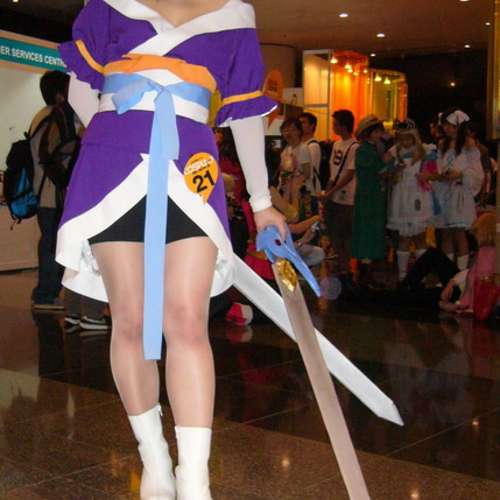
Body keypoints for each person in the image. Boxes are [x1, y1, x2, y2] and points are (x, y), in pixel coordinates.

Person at [57, 1, 286, 499]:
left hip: (191, 165)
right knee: (131, 320)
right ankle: (154, 455)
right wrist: (121, 129)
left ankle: (195, 479)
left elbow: (246, 113)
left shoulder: (235, 15)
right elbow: (80, 89)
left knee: (187, 319)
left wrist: (263, 202)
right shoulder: (107, 4)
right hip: (113, 165)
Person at [31, 71, 72, 311]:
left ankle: (46, 293)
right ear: (59, 94)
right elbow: (58, 154)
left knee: (49, 242)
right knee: (51, 244)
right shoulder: (56, 117)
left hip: (44, 192)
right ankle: (46, 295)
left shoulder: (41, 116)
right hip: (52, 193)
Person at [386, 120, 436, 281]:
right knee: (403, 237)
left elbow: (434, 171)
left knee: (420, 236)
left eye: (408, 138)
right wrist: (395, 171)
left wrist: (426, 174)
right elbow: (386, 173)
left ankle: (421, 275)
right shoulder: (395, 152)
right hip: (401, 196)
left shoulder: (425, 151)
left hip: (418, 194)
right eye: (402, 138)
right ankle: (402, 276)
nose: (405, 142)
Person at [435, 109, 484, 270]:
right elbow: (439, 167)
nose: (447, 129)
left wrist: (461, 175)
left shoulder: (469, 144)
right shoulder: (442, 144)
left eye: (451, 126)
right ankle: (448, 273)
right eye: (445, 125)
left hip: (460, 193)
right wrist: (440, 176)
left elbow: (477, 172)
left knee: (459, 233)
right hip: (444, 191)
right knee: (445, 234)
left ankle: (461, 274)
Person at [351, 115, 388, 287]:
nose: (380, 134)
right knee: (368, 231)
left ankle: (367, 271)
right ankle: (365, 273)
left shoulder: (371, 149)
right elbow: (378, 170)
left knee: (370, 231)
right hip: (368, 196)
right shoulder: (365, 150)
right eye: (377, 131)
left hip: (371, 196)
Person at [321, 109, 358, 277]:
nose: (333, 127)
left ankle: (346, 268)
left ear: (344, 126)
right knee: (334, 231)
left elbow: (349, 174)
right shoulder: (337, 144)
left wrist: (332, 190)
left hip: (347, 196)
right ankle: (341, 266)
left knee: (344, 233)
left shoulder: (354, 146)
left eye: (335, 124)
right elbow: (333, 171)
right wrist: (328, 191)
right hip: (334, 195)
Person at [278, 118, 312, 211]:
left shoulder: (303, 148)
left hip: (301, 193)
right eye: (285, 130)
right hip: (287, 192)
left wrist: (292, 178)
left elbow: (307, 173)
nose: (289, 133)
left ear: (299, 132)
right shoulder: (286, 149)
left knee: (301, 217)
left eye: (293, 130)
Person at [299, 112, 322, 203]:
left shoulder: (313, 146)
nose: (300, 125)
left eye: (303, 122)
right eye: (299, 123)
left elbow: (308, 171)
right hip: (301, 188)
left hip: (309, 191)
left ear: (312, 126)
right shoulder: (301, 145)